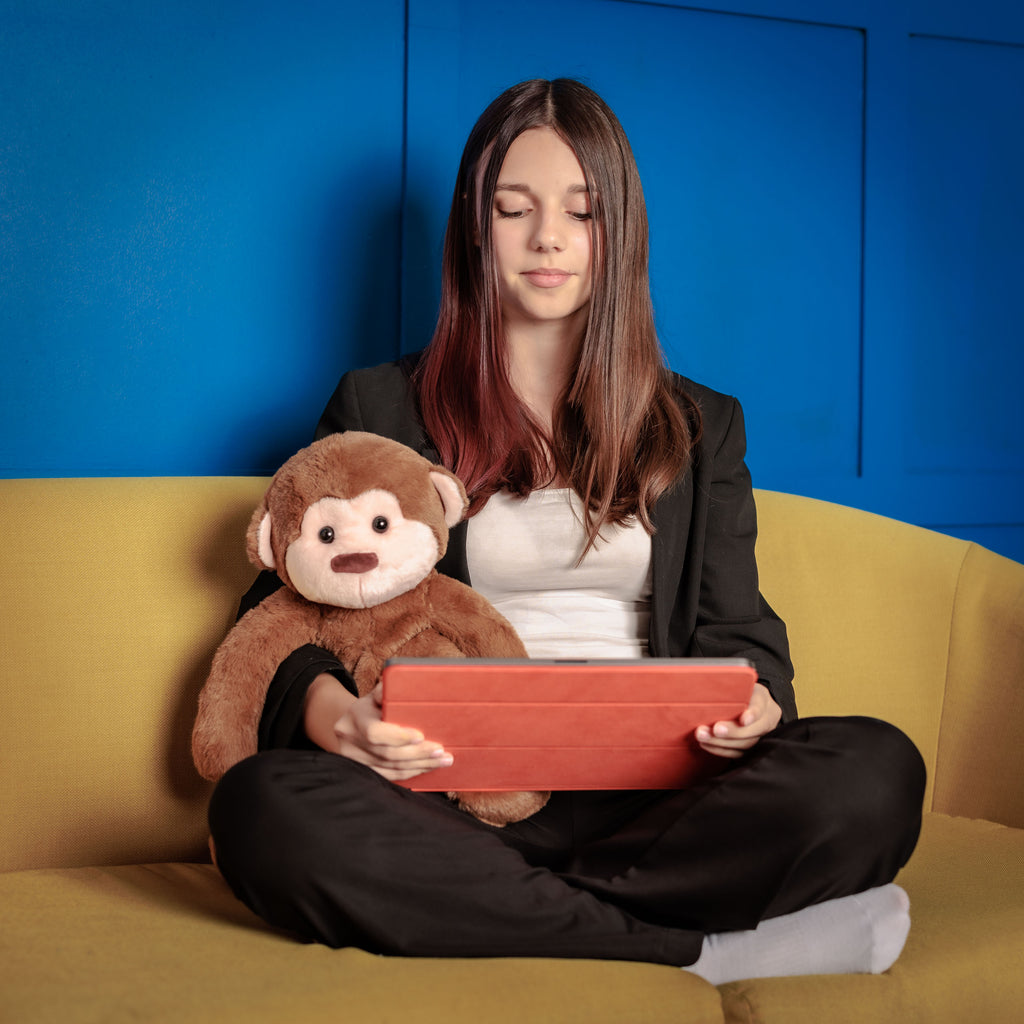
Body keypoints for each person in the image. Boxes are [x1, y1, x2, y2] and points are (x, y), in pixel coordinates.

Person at [207, 78, 925, 982]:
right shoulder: (379, 405)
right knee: (263, 809)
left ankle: (510, 908)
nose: (547, 238)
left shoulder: (701, 426)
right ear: (477, 228)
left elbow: (741, 635)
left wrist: (760, 705)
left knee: (877, 770)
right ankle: (700, 951)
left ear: (615, 233)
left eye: (580, 213)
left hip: (666, 806)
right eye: (515, 210)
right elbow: (276, 617)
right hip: (453, 802)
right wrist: (339, 719)